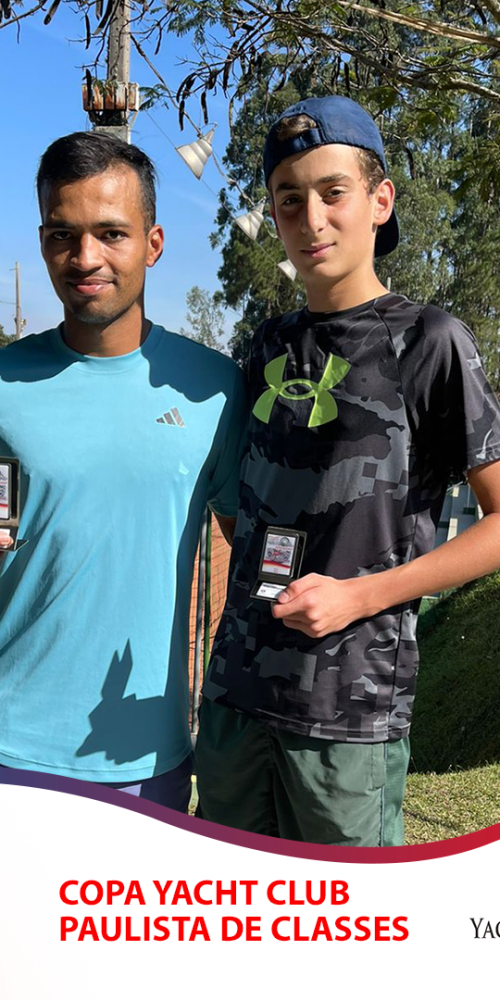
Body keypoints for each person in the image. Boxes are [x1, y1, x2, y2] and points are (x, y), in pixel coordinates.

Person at [195, 95, 500, 846]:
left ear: (379, 200)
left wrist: (359, 593)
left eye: (333, 193)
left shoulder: (430, 341)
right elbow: (246, 504)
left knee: (347, 919)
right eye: (289, 200)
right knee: (234, 908)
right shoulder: (265, 344)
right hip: (234, 700)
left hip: (346, 717)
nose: (312, 220)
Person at [0, 131, 247, 810]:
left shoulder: (213, 388)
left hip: (146, 759)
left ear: (153, 243)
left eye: (111, 233)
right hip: (9, 749)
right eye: (63, 235)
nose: (86, 258)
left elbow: (252, 560)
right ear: (43, 242)